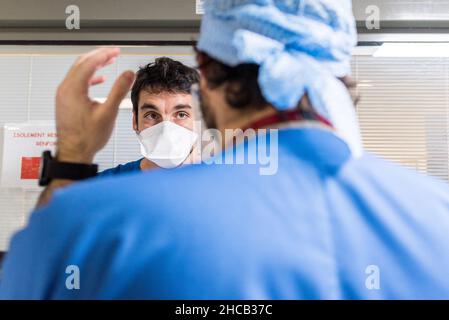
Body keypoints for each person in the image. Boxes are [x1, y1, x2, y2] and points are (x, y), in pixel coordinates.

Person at [1, 0, 449, 299]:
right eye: (152, 113)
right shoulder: (438, 213)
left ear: (207, 85)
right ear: (340, 73)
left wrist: (73, 155)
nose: (167, 124)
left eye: (179, 111)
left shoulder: (88, 220)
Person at [99, 57, 200, 176]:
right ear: (135, 121)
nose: (166, 129)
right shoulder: (101, 185)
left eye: (181, 114)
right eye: (152, 115)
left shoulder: (222, 187)